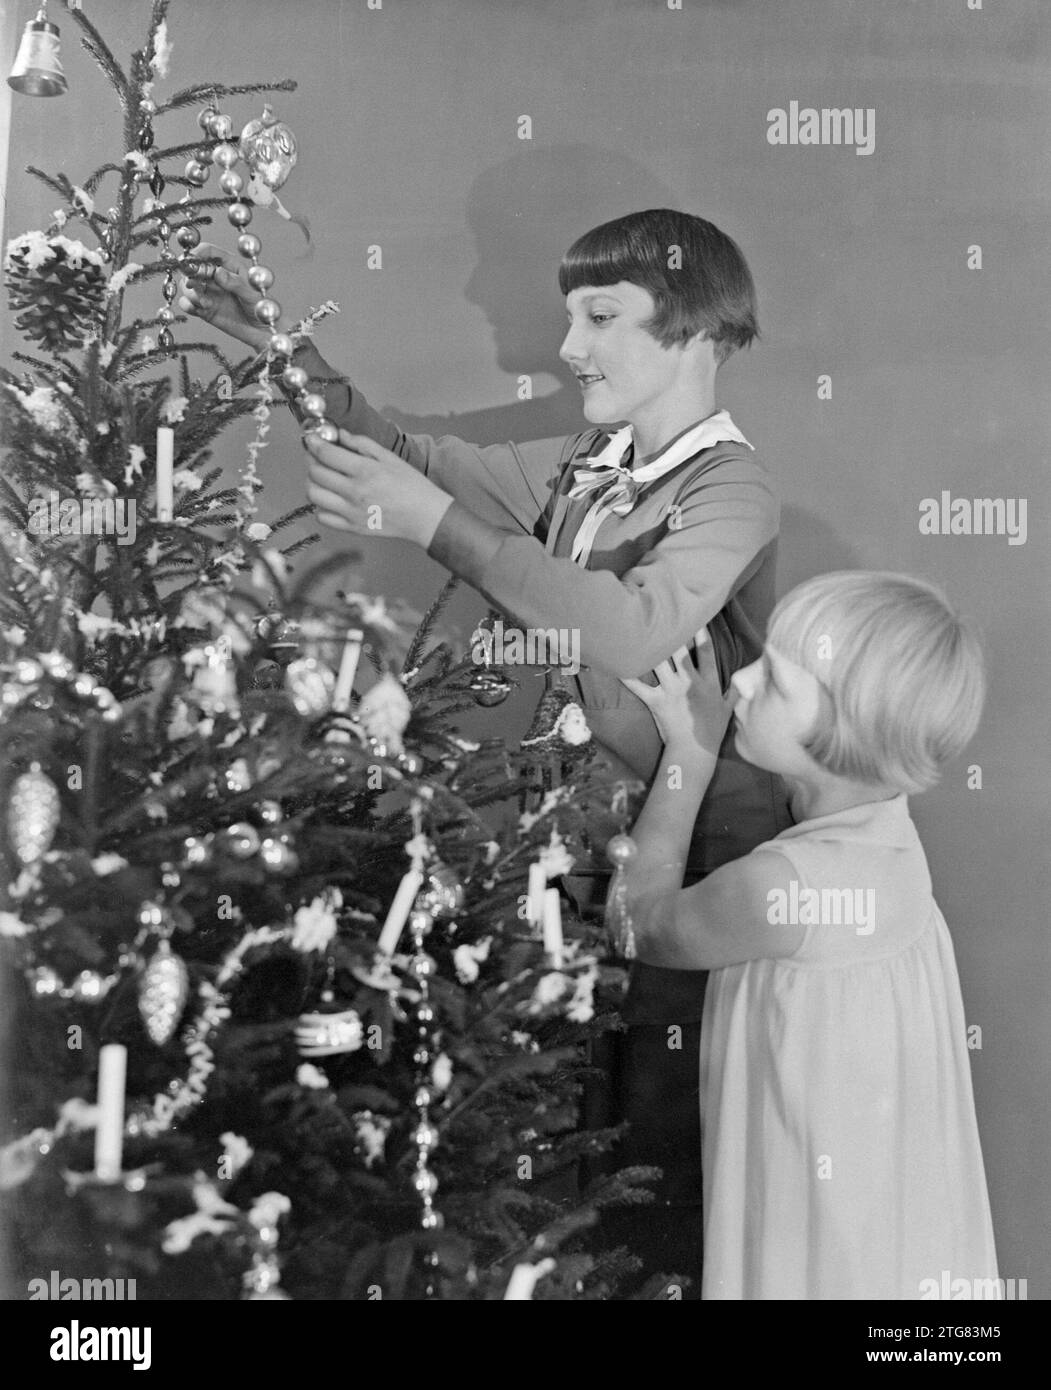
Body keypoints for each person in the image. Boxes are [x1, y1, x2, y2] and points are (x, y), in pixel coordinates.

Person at [178, 208, 792, 1288]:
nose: (567, 347)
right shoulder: (582, 468)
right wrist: (276, 344)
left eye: (600, 315)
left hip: (701, 875)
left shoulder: (729, 490)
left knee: (659, 1166)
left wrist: (432, 526)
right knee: (559, 1147)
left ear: (696, 338)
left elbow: (631, 625)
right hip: (577, 864)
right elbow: (403, 451)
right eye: (569, 316)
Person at [615, 571, 999, 1299]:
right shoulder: (890, 842)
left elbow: (640, 924)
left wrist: (690, 752)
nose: (742, 680)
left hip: (821, 1248)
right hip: (890, 1241)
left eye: (778, 680)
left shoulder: (777, 889)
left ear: (842, 736)